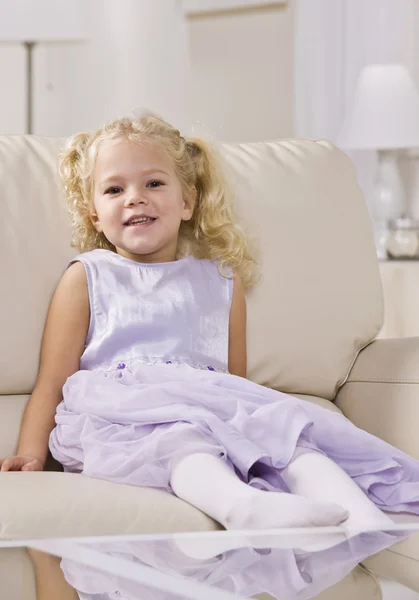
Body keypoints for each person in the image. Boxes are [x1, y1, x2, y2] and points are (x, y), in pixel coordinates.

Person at [1, 112, 419, 600]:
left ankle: (359, 516)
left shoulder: (220, 279)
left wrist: (251, 427)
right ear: (94, 214)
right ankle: (239, 506)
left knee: (284, 431)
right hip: (122, 416)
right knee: (181, 441)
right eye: (113, 190)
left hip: (207, 402)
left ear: (187, 201)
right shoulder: (89, 275)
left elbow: (234, 384)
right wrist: (31, 455)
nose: (134, 197)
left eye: (153, 182)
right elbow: (53, 380)